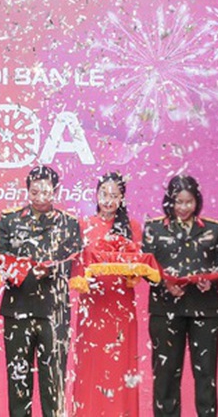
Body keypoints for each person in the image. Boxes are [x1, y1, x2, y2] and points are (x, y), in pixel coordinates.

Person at [0, 165, 81, 417]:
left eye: (46, 191)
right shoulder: (9, 220)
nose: (40, 197)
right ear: (27, 190)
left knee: (53, 382)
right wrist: (20, 269)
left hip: (54, 311)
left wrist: (52, 270)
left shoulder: (69, 223)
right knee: (18, 381)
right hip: (18, 309)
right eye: (35, 192)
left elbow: (75, 260)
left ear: (56, 191)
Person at [143, 175, 218, 417]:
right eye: (178, 202)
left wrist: (210, 280)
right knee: (166, 375)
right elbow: (144, 267)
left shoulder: (214, 228)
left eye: (188, 202)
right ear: (169, 201)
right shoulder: (154, 228)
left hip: (205, 310)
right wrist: (165, 283)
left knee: (206, 375)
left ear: (197, 201)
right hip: (165, 310)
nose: (183, 207)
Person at [71, 172, 143, 416]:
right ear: (96, 195)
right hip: (93, 303)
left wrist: (133, 273)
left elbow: (139, 263)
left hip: (121, 304)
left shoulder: (132, 227)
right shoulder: (84, 225)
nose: (108, 200)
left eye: (114, 195)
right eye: (104, 194)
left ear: (122, 198)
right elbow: (76, 264)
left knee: (119, 361)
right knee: (91, 362)